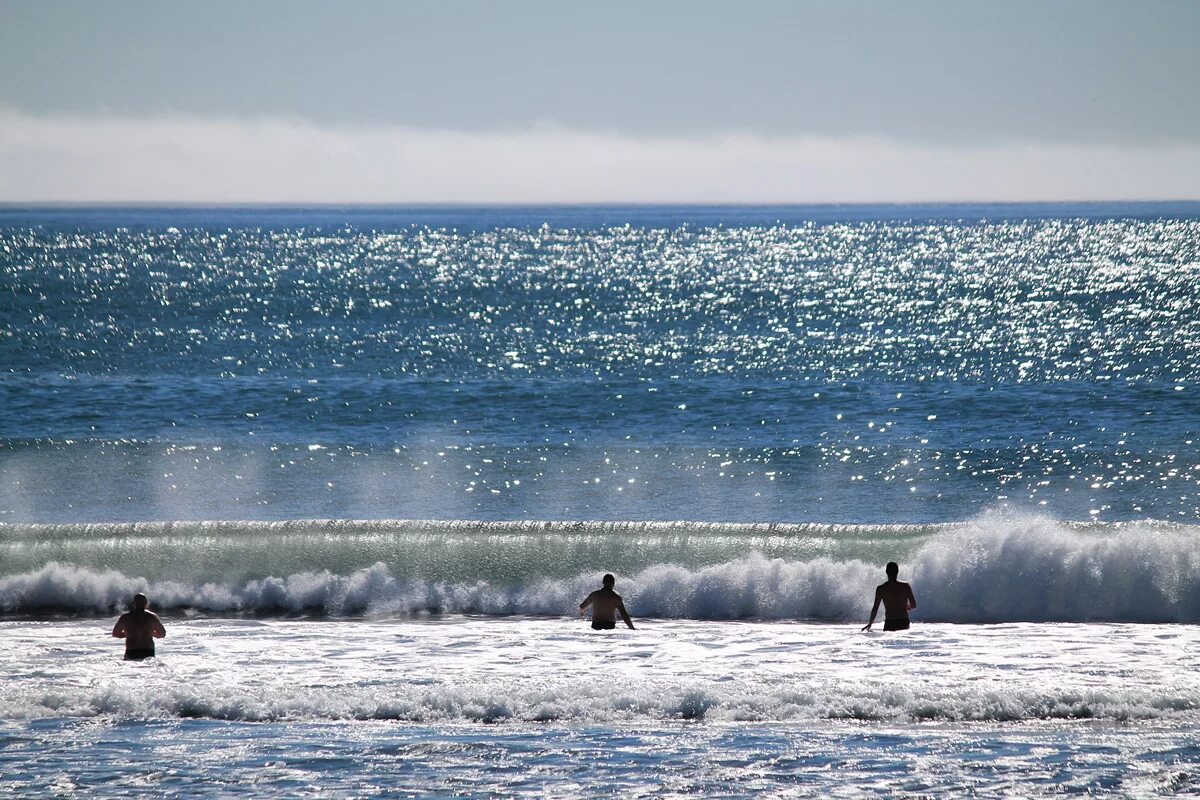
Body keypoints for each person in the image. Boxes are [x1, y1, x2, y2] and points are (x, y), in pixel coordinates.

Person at [862, 562, 916, 632]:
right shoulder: (905, 586)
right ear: (897, 572)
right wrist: (907, 607)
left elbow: (875, 608)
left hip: (890, 622)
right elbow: (913, 605)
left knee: (889, 642)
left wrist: (870, 623)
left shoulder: (881, 589)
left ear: (886, 572)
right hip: (903, 621)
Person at [112, 593, 167, 660]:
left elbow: (115, 633)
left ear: (133, 603)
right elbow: (162, 634)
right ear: (146, 603)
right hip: (148, 651)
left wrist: (128, 634)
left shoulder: (125, 617)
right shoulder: (152, 617)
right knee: (148, 669)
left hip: (131, 651)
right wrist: (150, 634)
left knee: (130, 669)